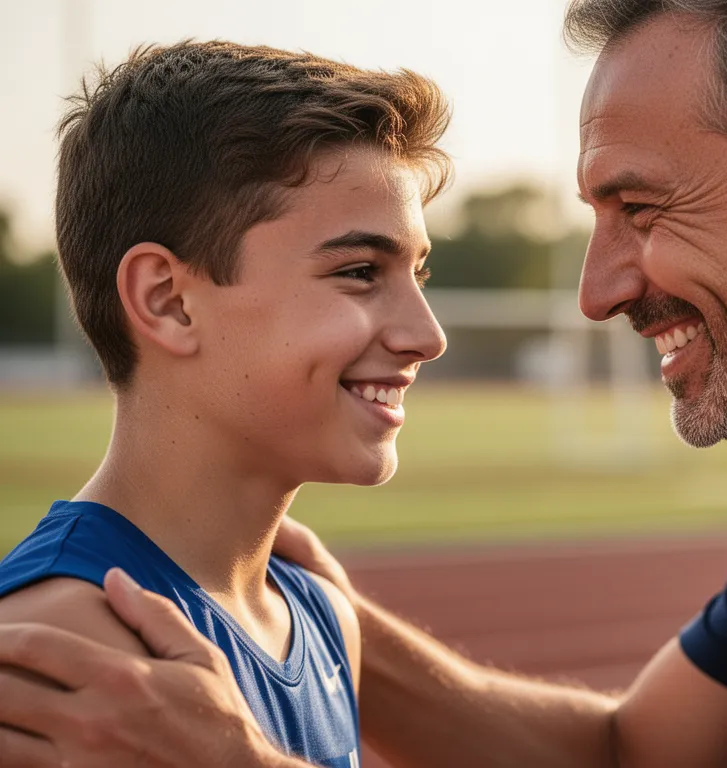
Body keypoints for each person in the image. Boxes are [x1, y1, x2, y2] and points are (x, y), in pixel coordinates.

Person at [2, 0, 727, 765]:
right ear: (166, 301)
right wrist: (331, 638)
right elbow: (628, 755)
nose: (596, 289)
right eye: (361, 271)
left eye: (642, 208)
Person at [0, 41, 451, 768]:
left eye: (417, 272)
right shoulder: (60, 654)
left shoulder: (322, 617)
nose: (426, 336)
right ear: (168, 301)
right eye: (361, 272)